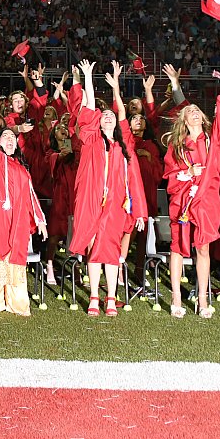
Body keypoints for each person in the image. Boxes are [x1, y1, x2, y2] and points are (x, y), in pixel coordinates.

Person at [69, 60, 147, 317]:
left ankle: (111, 298)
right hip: (92, 202)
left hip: (115, 205)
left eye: (111, 115)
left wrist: (140, 213)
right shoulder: (91, 139)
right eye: (105, 116)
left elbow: (135, 180)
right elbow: (88, 109)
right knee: (93, 248)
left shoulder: (125, 148)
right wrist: (88, 78)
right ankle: (94, 297)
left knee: (111, 249)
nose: (108, 117)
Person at [0, 78, 46, 316]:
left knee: (15, 257)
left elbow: (31, 196)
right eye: (4, 137)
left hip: (17, 222)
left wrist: (40, 219)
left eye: (12, 138)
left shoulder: (21, 168)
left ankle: (16, 302)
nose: (8, 139)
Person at [161, 93, 220, 319]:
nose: (194, 112)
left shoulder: (212, 140)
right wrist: (188, 173)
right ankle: (176, 298)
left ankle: (202, 299)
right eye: (189, 110)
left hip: (206, 201)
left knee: (203, 248)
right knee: (178, 248)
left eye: (197, 110)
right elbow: (169, 174)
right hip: (182, 200)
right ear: (183, 119)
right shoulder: (177, 145)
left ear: (202, 117)